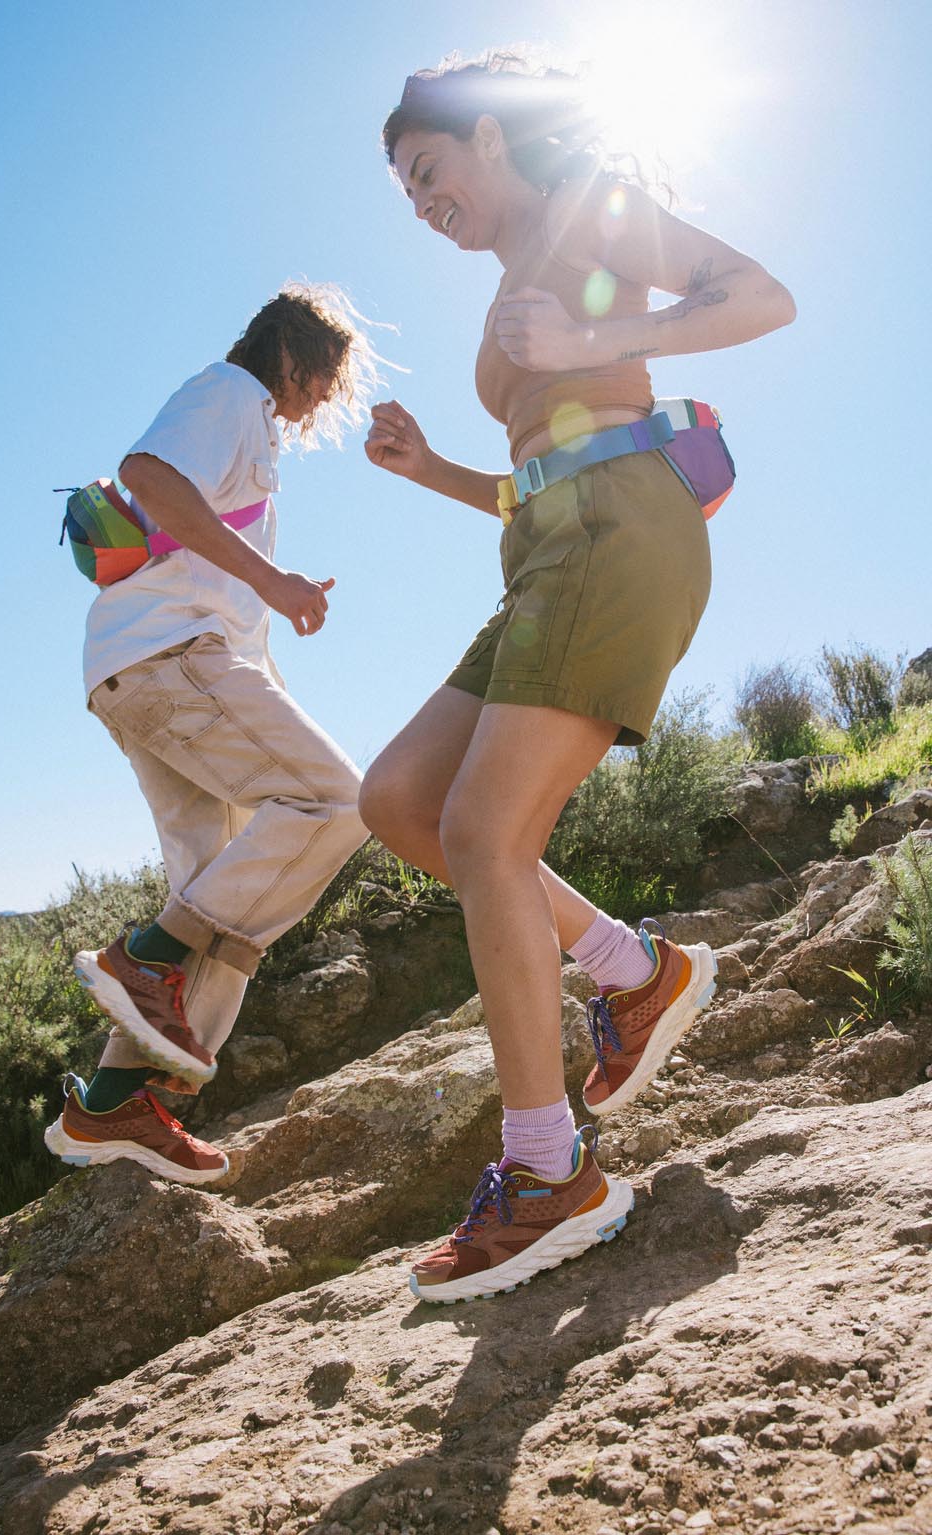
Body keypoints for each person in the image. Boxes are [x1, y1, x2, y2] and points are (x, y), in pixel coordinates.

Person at [361, 53, 796, 1302]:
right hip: (547, 542)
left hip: (621, 530)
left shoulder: (588, 209)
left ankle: (548, 1171)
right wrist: (429, 468)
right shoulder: (511, 275)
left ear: (492, 138)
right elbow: (534, 470)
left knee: (486, 833)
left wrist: (597, 331)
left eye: (428, 171)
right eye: (405, 192)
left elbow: (759, 294)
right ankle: (631, 968)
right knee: (399, 801)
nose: (423, 201)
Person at [45, 284, 377, 1185]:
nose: (321, 404)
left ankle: (116, 1102)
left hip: (147, 670)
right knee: (339, 800)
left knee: (224, 886)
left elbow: (220, 591)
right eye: (324, 383)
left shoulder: (249, 436)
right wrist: (276, 582)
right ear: (298, 360)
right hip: (169, 658)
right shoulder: (231, 392)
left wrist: (264, 643)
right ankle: (142, 957)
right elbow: (148, 475)